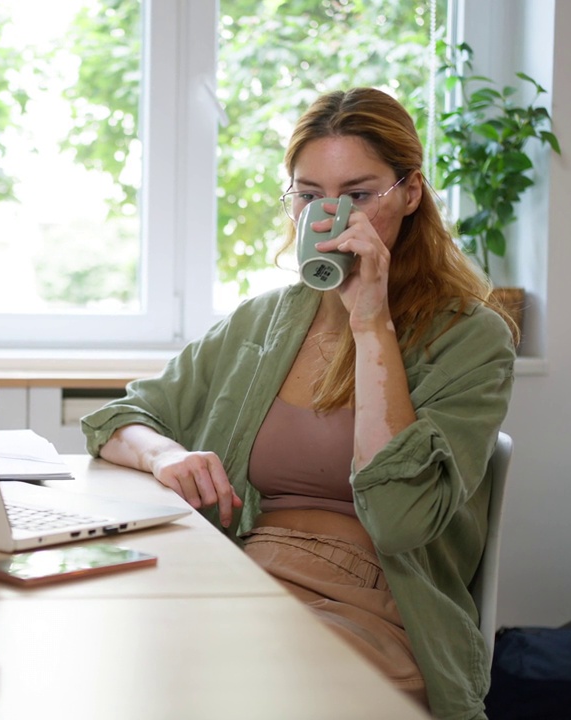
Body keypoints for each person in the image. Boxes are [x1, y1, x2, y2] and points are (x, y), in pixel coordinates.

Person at [80, 87, 517, 720]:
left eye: (359, 195)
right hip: (238, 577)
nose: (331, 216)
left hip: (374, 603)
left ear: (411, 193)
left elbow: (399, 520)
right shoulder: (263, 322)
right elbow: (118, 420)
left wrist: (372, 324)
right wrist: (165, 456)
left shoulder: (469, 336)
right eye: (310, 196)